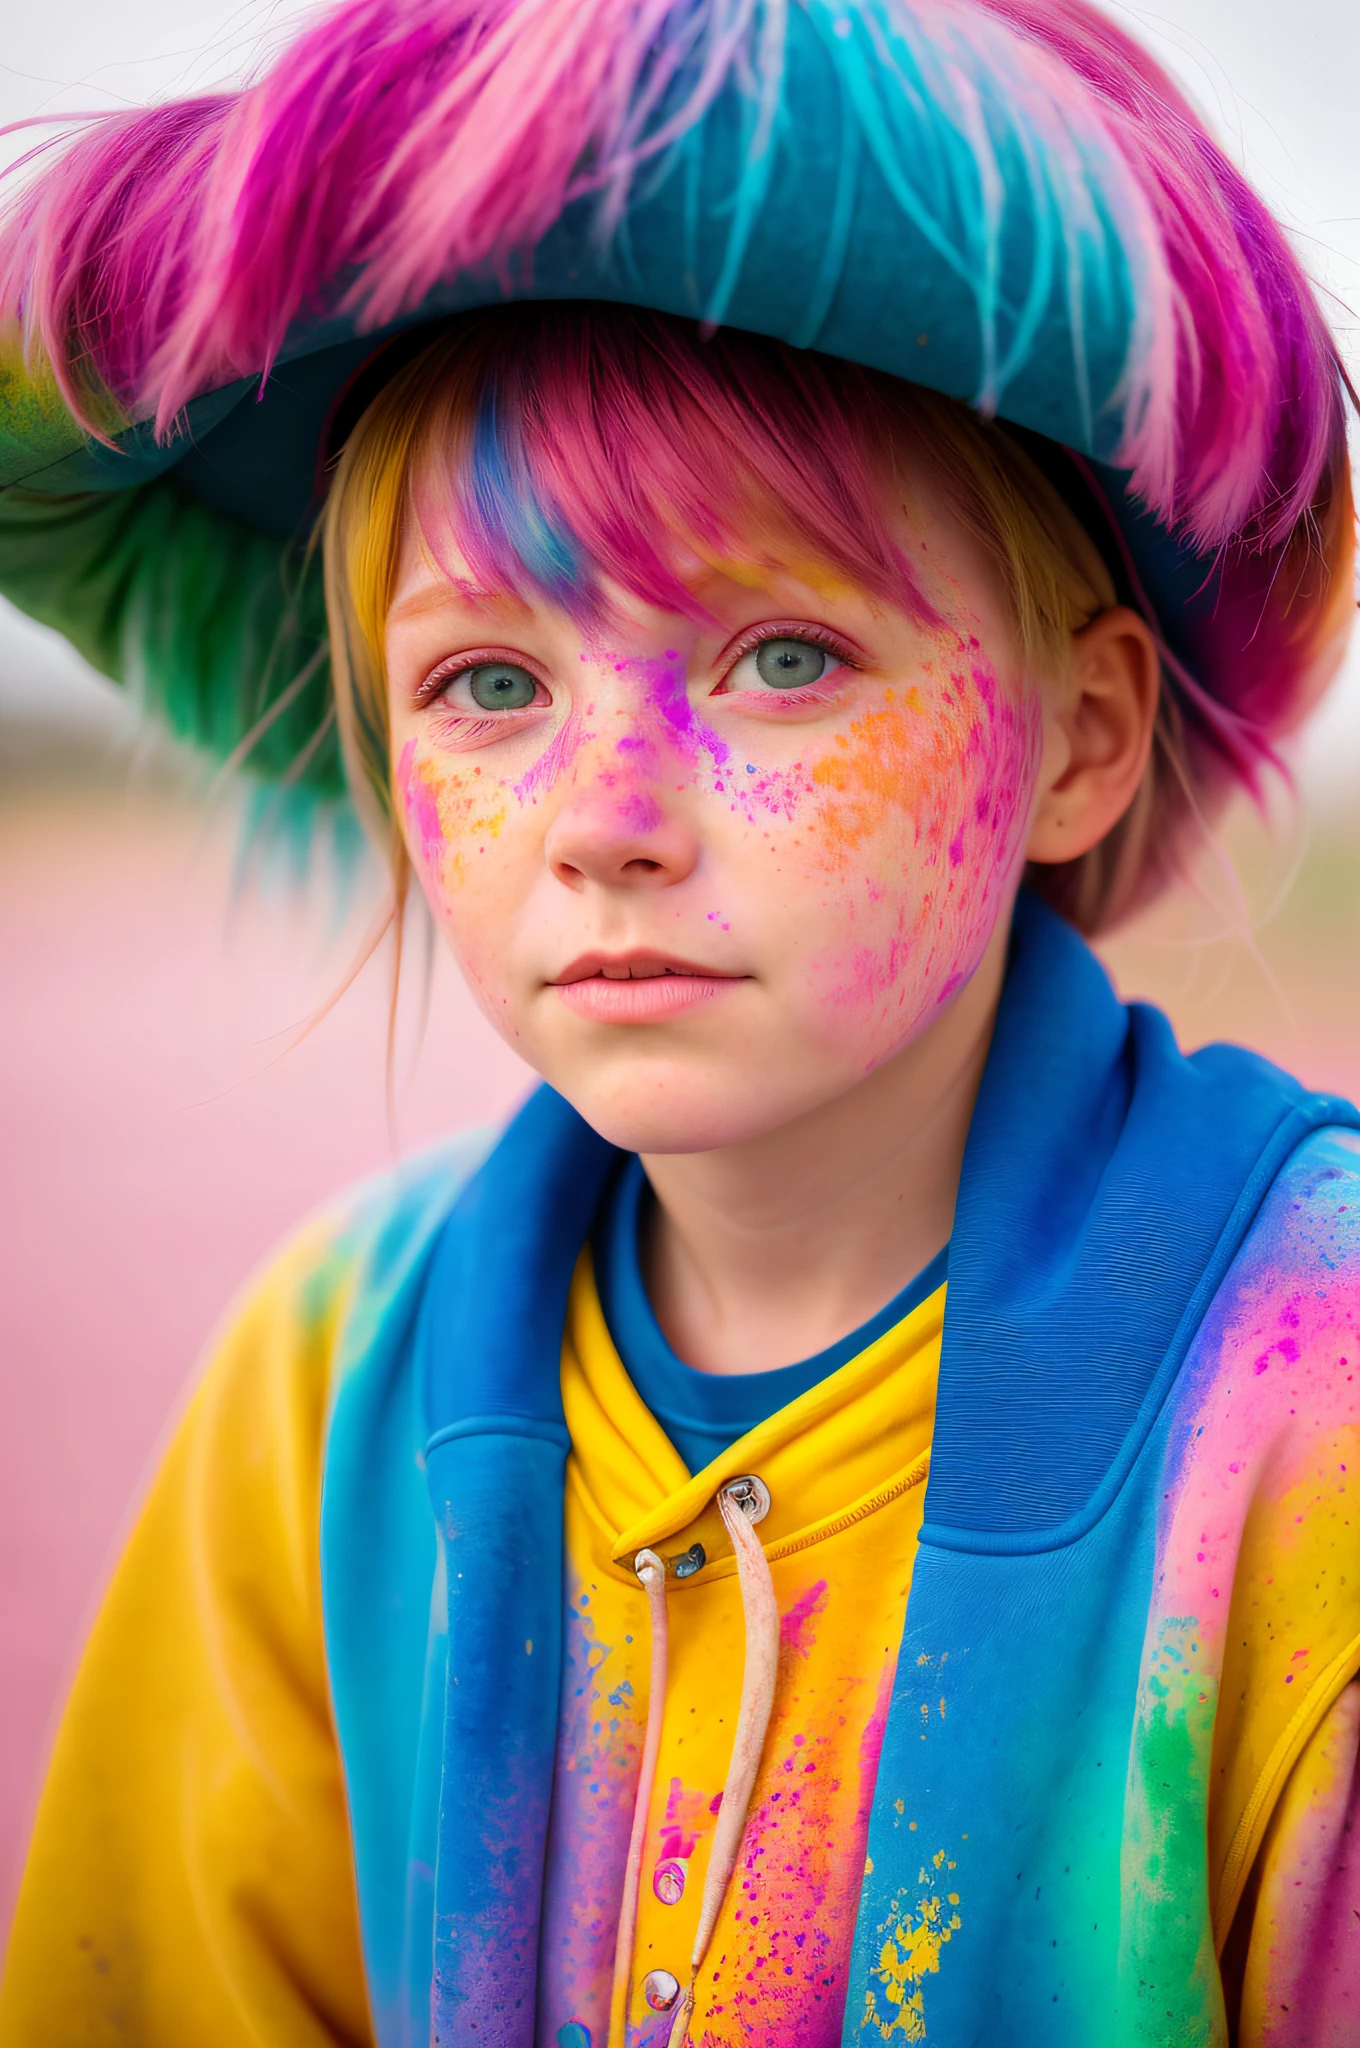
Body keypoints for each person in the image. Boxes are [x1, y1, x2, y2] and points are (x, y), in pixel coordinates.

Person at [1, 0, 1358, 2042]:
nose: (603, 823)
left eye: (782, 655)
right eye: (487, 685)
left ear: (1077, 738)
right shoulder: (322, 1386)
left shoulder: (1306, 1422)